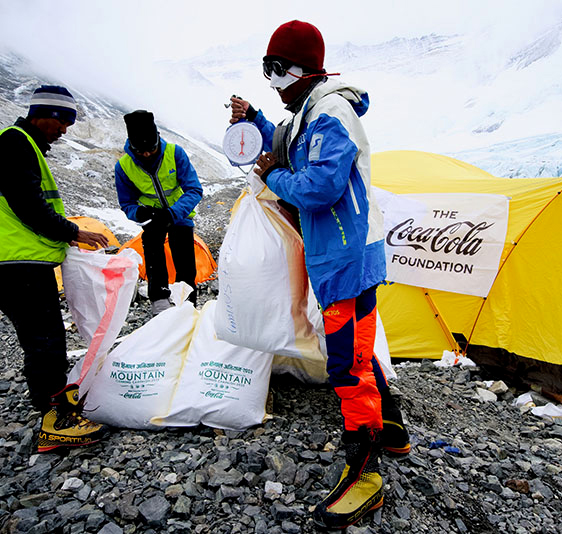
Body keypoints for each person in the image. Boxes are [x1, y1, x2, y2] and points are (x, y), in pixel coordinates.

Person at [229, 20, 411, 529]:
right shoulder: (314, 111)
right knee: (357, 349)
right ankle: (392, 431)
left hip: (345, 258)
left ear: (293, 70)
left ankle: (365, 474)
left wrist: (271, 175)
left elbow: (318, 186)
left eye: (275, 76)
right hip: (345, 253)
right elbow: (291, 143)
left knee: (347, 366)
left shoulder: (330, 112)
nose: (274, 90)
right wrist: (258, 122)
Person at [0, 85, 111, 453]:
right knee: (46, 344)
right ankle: (55, 422)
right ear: (41, 113)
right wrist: (73, 231)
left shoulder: (23, 145)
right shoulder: (15, 141)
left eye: (70, 121)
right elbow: (27, 203)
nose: (66, 128)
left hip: (22, 266)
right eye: (62, 119)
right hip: (20, 267)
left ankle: (52, 407)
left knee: (43, 341)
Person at [115, 110, 203, 315]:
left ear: (158, 138)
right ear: (131, 146)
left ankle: (188, 306)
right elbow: (126, 203)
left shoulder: (175, 153)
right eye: (140, 150)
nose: (146, 154)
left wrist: (173, 213)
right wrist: (139, 213)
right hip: (152, 219)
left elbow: (194, 189)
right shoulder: (123, 167)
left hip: (179, 217)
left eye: (151, 149)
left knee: (185, 264)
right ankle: (160, 303)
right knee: (153, 255)